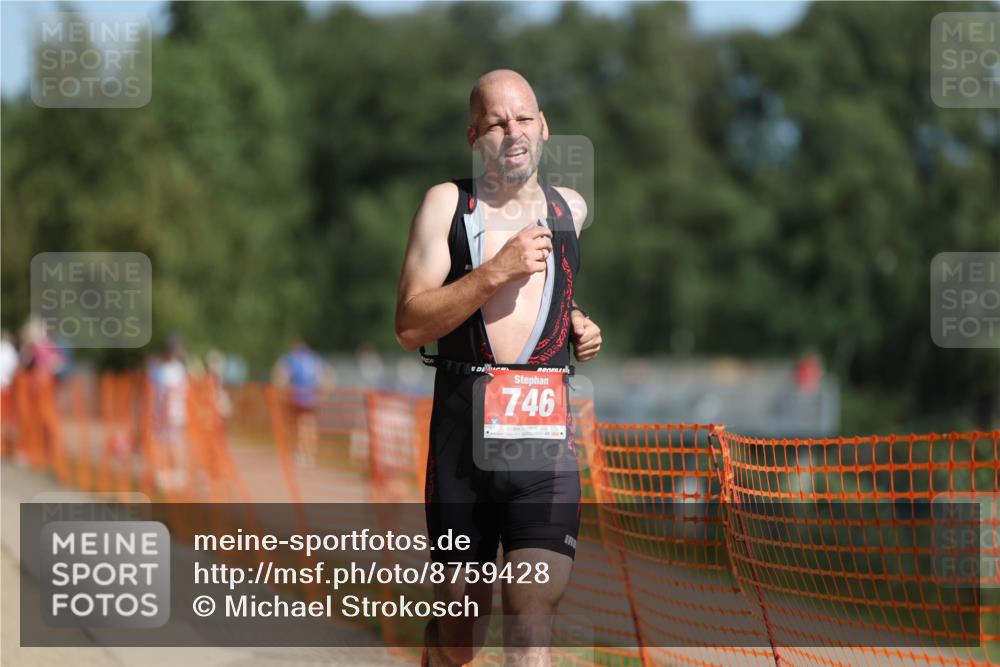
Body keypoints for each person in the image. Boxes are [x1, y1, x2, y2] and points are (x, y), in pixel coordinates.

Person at [395, 69, 602, 667]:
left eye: (524, 118)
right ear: (473, 136)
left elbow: (551, 301)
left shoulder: (571, 211)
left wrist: (579, 326)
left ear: (544, 128)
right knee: (461, 632)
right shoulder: (447, 206)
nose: (513, 132)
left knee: (532, 604)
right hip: (465, 446)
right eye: (496, 121)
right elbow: (409, 323)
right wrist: (493, 271)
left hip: (543, 445)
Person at [272, 338, 332, 467]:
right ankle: (309, 454)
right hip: (311, 396)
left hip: (298, 396)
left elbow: (282, 375)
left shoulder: (293, 358)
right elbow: (325, 376)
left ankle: (302, 452)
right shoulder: (315, 359)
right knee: (309, 424)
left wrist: (281, 391)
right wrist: (324, 394)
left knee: (301, 424)